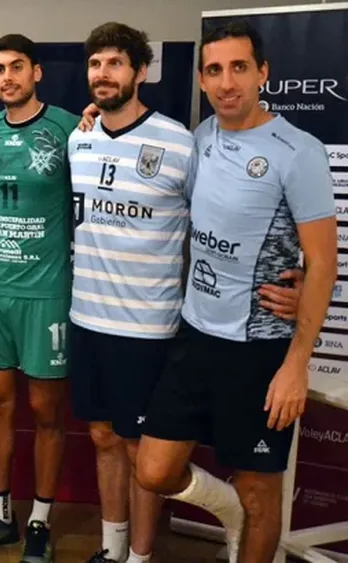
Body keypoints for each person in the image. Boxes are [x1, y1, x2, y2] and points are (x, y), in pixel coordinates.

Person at [69, 22, 304, 563]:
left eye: (116, 63)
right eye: (95, 64)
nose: (104, 74)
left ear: (141, 72)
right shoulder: (77, 137)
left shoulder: (180, 142)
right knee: (104, 440)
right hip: (86, 317)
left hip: (149, 325)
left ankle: (142, 556)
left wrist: (296, 276)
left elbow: (230, 219)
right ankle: (112, 548)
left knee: (138, 450)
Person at [135, 21, 336, 563]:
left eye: (239, 68)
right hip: (196, 336)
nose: (228, 82)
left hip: (261, 350)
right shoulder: (199, 139)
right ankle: (228, 513)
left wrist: (297, 364)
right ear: (202, 79)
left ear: (263, 73)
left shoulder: (299, 151)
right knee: (154, 471)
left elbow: (322, 262)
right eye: (216, 70)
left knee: (259, 491)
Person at [0, 34, 79, 563]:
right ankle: (0, 516)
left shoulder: (70, 128)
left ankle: (41, 521)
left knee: (46, 408)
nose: (7, 77)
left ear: (37, 72)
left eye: (16, 67)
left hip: (46, 292)